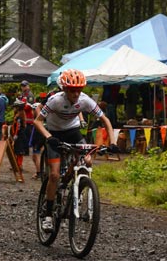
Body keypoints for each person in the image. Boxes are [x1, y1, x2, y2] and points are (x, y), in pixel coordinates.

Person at [33, 69, 118, 232]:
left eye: (79, 90)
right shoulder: (55, 100)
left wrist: (112, 142)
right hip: (54, 133)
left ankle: (77, 190)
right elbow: (37, 122)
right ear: (64, 89)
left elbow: (105, 119)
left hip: (73, 131)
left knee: (87, 161)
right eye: (72, 90)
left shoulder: (85, 101)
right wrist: (48, 137)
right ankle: (48, 214)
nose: (76, 93)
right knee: (54, 175)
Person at [11, 99, 27, 171]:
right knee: (16, 150)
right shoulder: (18, 114)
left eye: (15, 107)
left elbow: (18, 127)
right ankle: (16, 164)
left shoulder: (20, 116)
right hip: (18, 134)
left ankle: (19, 165)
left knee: (19, 151)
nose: (14, 108)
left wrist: (15, 135)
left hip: (20, 135)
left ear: (18, 107)